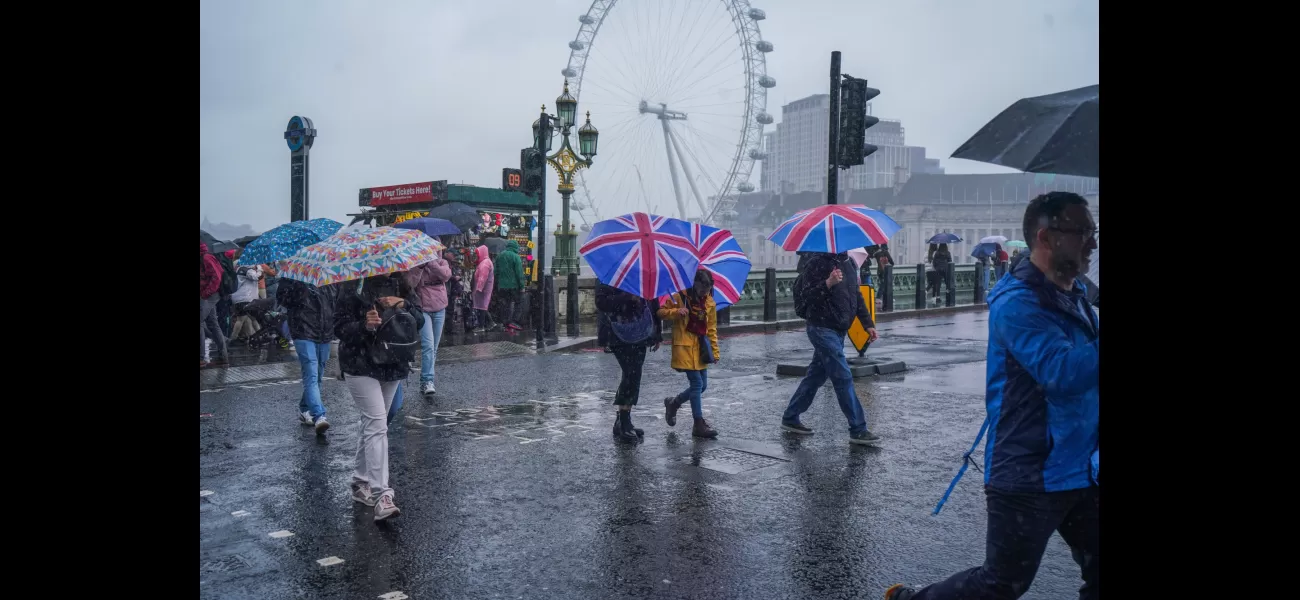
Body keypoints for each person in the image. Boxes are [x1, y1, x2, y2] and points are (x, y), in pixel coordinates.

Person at [885, 192, 1099, 600]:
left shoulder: (1075, 294)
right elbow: (1062, 372)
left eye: (1094, 232)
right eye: (1082, 232)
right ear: (1046, 237)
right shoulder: (1019, 301)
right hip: (1030, 469)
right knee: (1001, 584)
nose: (1092, 243)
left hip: (1083, 466)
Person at [334, 272, 425, 522]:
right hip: (360, 364)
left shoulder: (401, 282)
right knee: (376, 424)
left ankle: (359, 480)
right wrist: (364, 325)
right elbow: (339, 327)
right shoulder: (353, 283)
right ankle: (382, 494)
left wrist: (401, 304)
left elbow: (419, 320)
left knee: (375, 423)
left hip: (392, 362)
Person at [781, 251, 882, 446]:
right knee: (842, 375)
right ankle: (858, 429)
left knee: (816, 376)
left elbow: (856, 296)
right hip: (821, 327)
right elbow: (807, 296)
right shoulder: (815, 263)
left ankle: (791, 417)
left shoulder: (848, 263)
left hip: (839, 329)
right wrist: (828, 283)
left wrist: (867, 323)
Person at [595, 283, 662, 442]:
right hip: (618, 332)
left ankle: (623, 419)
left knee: (634, 375)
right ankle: (624, 420)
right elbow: (602, 302)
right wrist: (628, 298)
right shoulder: (610, 276)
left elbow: (653, 303)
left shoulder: (643, 275)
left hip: (641, 330)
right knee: (631, 373)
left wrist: (657, 333)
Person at [659, 270, 720, 439]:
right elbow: (661, 312)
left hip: (700, 349)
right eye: (701, 290)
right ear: (695, 284)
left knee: (703, 386)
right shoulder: (680, 297)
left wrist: (714, 351)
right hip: (684, 347)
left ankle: (674, 403)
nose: (704, 294)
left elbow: (712, 329)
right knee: (697, 383)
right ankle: (698, 424)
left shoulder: (709, 303)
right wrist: (676, 312)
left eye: (707, 291)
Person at [277, 277, 337, 435]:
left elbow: (334, 304)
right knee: (311, 374)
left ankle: (305, 409)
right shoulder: (292, 275)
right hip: (303, 331)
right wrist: (299, 288)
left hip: (324, 333)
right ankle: (319, 416)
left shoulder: (328, 276)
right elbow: (283, 300)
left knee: (318, 375)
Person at [403, 250, 452, 397]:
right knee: (428, 345)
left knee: (434, 347)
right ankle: (427, 380)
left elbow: (446, 275)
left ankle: (428, 378)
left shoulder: (442, 262)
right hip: (423, 307)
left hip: (440, 307)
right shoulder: (416, 264)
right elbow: (410, 283)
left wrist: (432, 263)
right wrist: (420, 267)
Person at [200, 242, 230, 368]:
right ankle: (223, 357)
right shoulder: (203, 257)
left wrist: (206, 293)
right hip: (207, 294)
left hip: (210, 294)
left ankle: (201, 358)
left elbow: (216, 277)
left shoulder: (206, 257)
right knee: (213, 323)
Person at [492, 240, 526, 331]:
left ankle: (505, 323)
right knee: (519, 302)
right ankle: (514, 322)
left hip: (502, 286)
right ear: (516, 247)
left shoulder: (499, 256)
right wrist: (522, 286)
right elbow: (519, 273)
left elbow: (495, 272)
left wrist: (497, 284)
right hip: (513, 286)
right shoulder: (516, 257)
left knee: (505, 304)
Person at [230, 262, 263, 343]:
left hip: (240, 298)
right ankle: (260, 337)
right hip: (246, 298)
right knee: (249, 319)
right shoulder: (247, 270)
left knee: (244, 319)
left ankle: (258, 336)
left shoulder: (239, 269)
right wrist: (260, 269)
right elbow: (257, 277)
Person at [471, 245, 498, 333]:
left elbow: (483, 277)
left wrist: (479, 288)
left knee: (481, 307)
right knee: (482, 307)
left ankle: (482, 325)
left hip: (483, 289)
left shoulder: (485, 263)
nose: (477, 255)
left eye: (477, 253)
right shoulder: (485, 262)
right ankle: (490, 323)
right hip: (485, 288)